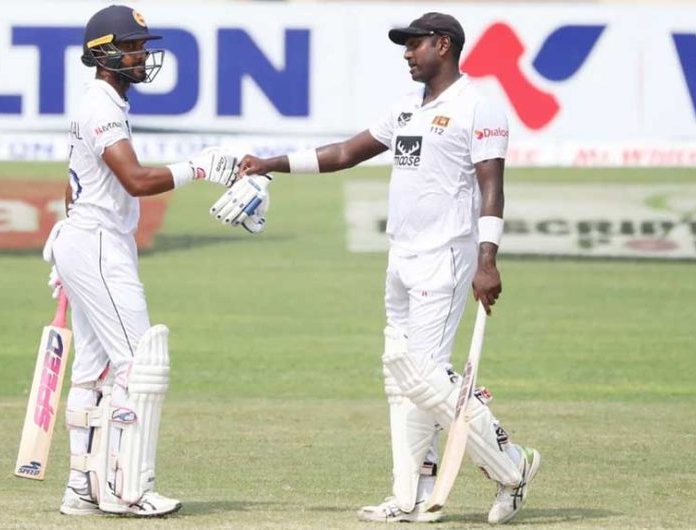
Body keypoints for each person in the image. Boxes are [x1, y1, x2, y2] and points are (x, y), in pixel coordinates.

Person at [238, 12, 540, 525]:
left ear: (443, 46)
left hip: (446, 257)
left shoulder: (478, 107)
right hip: (401, 256)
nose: (406, 53)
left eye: (414, 44)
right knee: (401, 380)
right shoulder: (404, 108)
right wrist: (272, 163)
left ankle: (513, 466)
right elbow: (344, 153)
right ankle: (410, 495)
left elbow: (493, 185)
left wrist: (487, 259)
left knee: (425, 377)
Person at [43, 5, 242, 518]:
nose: (141, 54)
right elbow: (135, 181)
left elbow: (74, 184)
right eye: (132, 46)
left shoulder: (101, 102)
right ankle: (128, 489)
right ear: (104, 52)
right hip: (100, 244)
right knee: (138, 365)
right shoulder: (103, 107)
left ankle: (82, 489)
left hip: (88, 242)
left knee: (93, 369)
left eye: (140, 45)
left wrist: (69, 256)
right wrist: (199, 166)